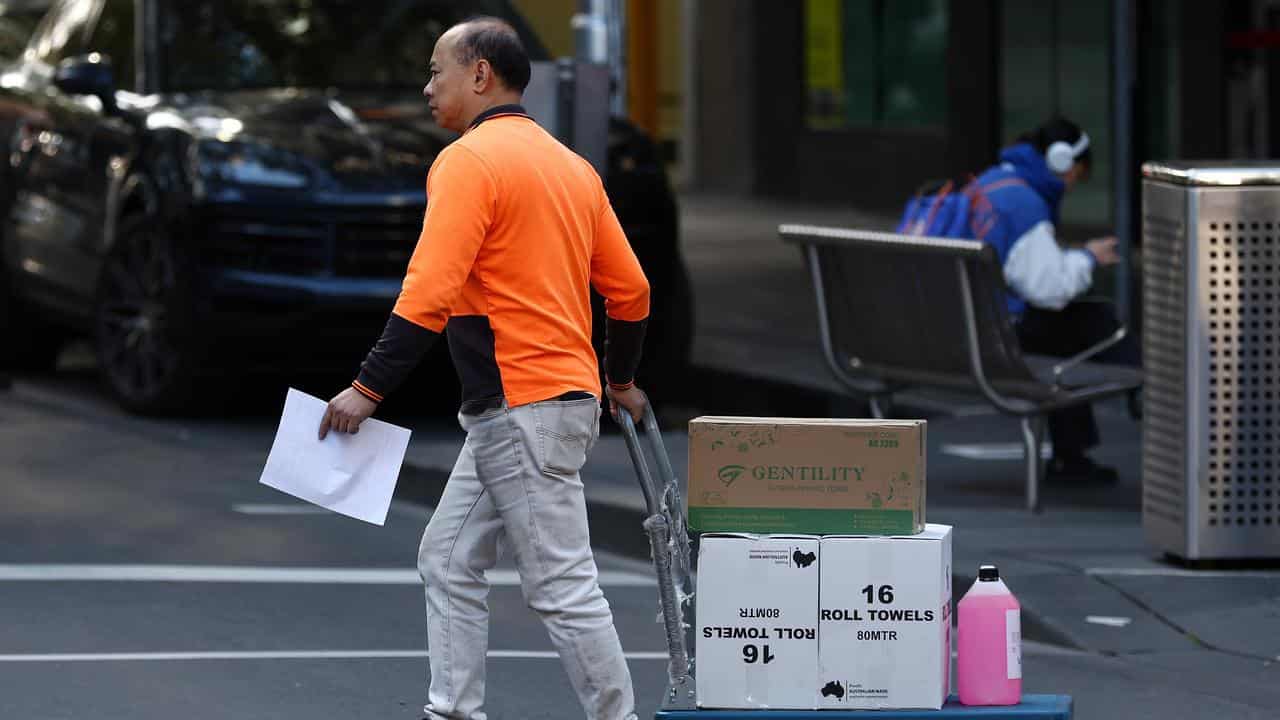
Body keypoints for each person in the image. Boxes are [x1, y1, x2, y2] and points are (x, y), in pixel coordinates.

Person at [316, 17, 649, 720]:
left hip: (520, 405)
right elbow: (632, 291)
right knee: (447, 557)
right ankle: (453, 712)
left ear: (479, 76)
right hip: (549, 404)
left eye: (437, 71)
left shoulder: (468, 162)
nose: (427, 86)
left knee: (560, 584)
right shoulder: (572, 168)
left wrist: (365, 388)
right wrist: (619, 379)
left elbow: (429, 293)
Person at [973, 115, 1137, 484]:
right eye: (1078, 173)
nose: (1075, 183)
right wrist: (1090, 258)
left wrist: (1073, 257)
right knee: (1092, 318)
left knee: (1068, 327)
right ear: (1062, 161)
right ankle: (1143, 391)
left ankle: (1075, 452)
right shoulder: (1024, 204)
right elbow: (1050, 290)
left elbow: (1023, 270)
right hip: (998, 339)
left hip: (964, 331)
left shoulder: (990, 184)